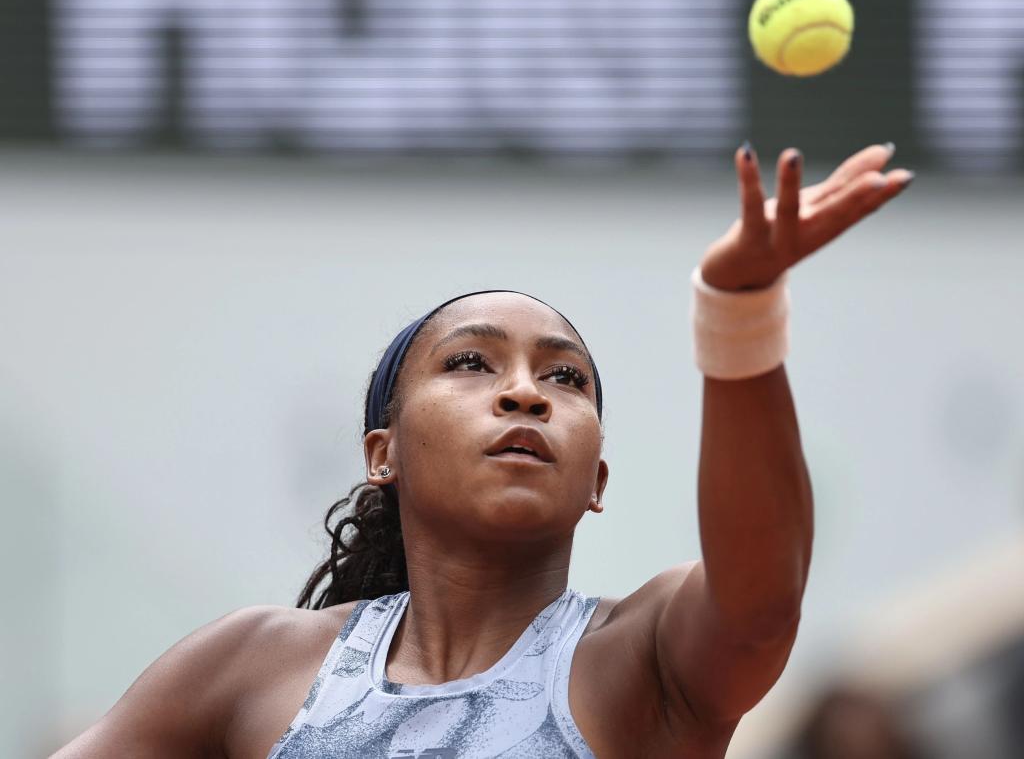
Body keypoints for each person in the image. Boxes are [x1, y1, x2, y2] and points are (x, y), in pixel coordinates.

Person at [53, 143, 913, 758]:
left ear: (597, 481)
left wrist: (739, 311)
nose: (526, 392)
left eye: (566, 379)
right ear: (383, 454)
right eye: (470, 363)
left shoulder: (640, 657)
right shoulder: (254, 662)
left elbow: (760, 603)